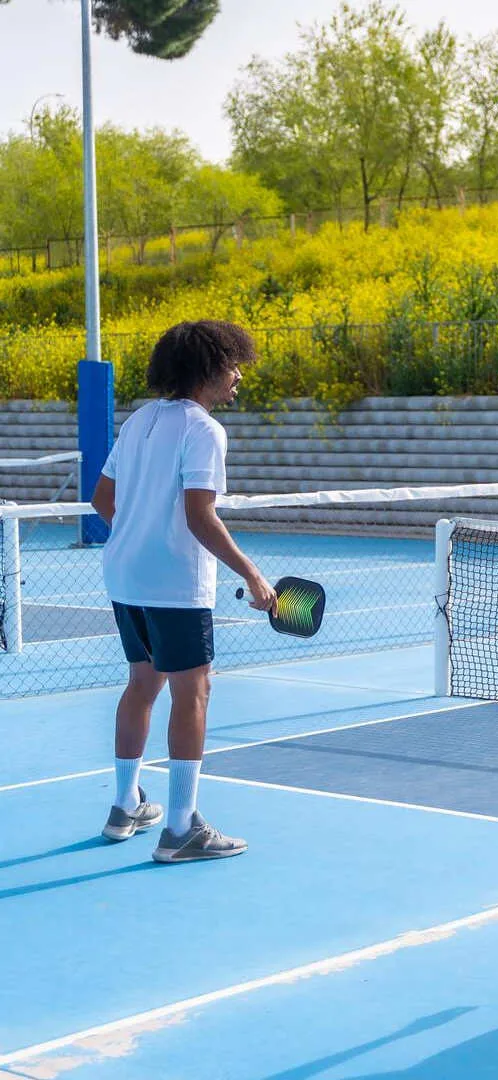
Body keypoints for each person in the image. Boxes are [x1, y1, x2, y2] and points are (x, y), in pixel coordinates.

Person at [91, 320, 275, 862]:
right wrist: (252, 573)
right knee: (192, 692)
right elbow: (201, 516)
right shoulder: (204, 430)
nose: (238, 375)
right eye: (232, 365)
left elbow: (103, 497)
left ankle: (125, 805)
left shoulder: (140, 420)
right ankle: (180, 828)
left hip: (124, 574)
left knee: (142, 684)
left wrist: (138, 532)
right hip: (175, 582)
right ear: (208, 369)